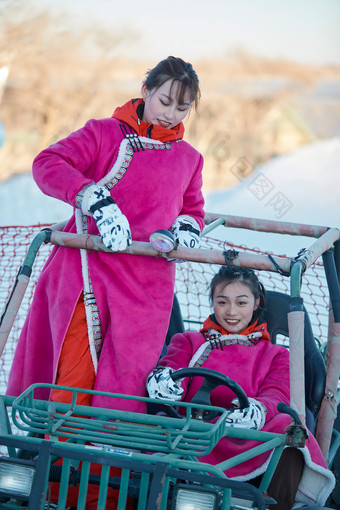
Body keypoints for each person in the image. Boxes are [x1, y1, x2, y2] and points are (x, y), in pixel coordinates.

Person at [6, 56, 205, 416]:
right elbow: (47, 164)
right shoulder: (103, 133)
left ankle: (107, 471)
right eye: (164, 101)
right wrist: (94, 199)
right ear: (145, 91)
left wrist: (186, 228)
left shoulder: (189, 159)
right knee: (71, 382)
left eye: (182, 107)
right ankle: (54, 469)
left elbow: (192, 208)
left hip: (146, 286)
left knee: (124, 387)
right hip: (86, 272)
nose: (171, 114)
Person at [147, 266, 335, 509]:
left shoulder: (277, 355)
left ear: (256, 303)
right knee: (146, 423)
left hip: (245, 439)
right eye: (222, 302)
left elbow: (276, 394)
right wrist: (165, 380)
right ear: (213, 302)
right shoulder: (189, 341)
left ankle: (275, 503)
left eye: (241, 302)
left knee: (289, 428)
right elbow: (172, 366)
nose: (231, 311)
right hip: (191, 432)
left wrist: (255, 410)